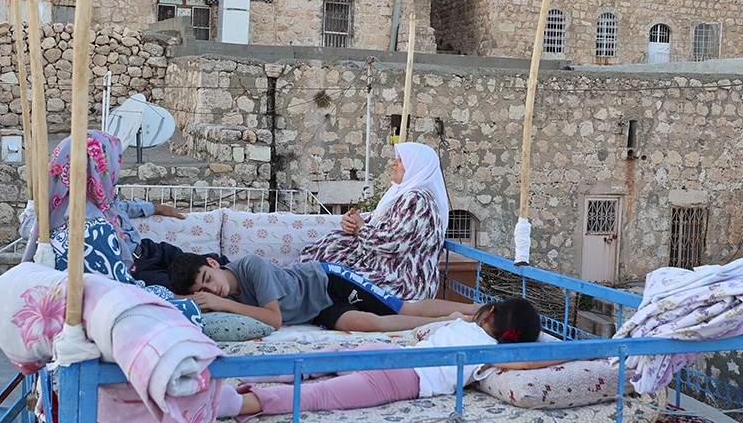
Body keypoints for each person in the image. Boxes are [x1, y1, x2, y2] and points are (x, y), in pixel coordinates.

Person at [220, 297, 544, 419]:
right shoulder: (490, 354)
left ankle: (237, 373)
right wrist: (588, 351)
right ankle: (238, 404)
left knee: (318, 364)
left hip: (390, 354)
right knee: (318, 396)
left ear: (487, 313)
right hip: (402, 380)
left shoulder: (460, 322)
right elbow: (529, 363)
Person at [21, 130, 201, 322]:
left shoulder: (64, 206)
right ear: (101, 168)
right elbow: (122, 291)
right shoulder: (94, 228)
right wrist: (182, 300)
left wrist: (155, 208)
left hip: (141, 258)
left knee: (204, 266)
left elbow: (118, 208)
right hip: (116, 303)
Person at [167, 252, 477, 332]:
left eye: (208, 277)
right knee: (368, 325)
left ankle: (476, 310)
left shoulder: (249, 266)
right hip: (317, 312)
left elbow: (273, 319)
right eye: (203, 290)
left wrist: (222, 304)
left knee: (401, 308)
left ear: (212, 263)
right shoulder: (220, 300)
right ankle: (447, 321)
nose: (212, 288)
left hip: (327, 281)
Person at [297, 141, 449, 300]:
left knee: (327, 280)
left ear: (417, 167)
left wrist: (361, 228)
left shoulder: (417, 200)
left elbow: (394, 243)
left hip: (401, 282)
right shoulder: (401, 195)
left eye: (401, 160)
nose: (394, 163)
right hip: (383, 270)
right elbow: (378, 220)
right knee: (323, 269)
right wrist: (352, 221)